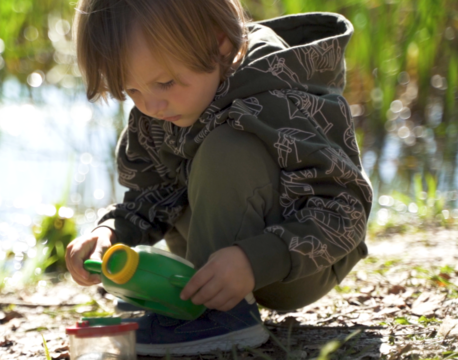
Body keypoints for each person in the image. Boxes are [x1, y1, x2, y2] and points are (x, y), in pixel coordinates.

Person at [65, 0, 373, 355]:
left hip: (297, 262)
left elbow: (346, 210)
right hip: (210, 266)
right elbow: (153, 194)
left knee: (227, 147)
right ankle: (192, 301)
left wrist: (256, 259)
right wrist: (111, 232)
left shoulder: (276, 95)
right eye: (132, 91)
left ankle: (218, 317)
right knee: (196, 160)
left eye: (165, 83)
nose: (151, 106)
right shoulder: (160, 108)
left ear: (220, 44)